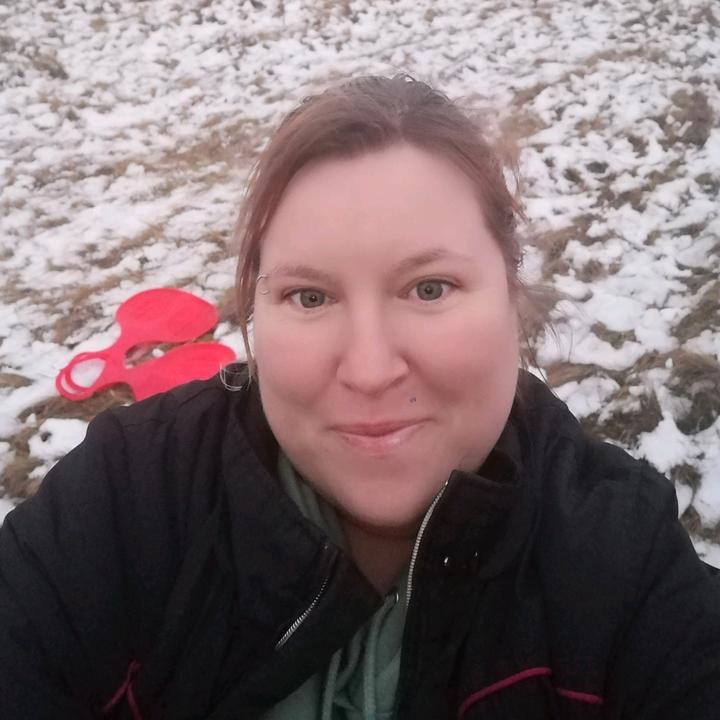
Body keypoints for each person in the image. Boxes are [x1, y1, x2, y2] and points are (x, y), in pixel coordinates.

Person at [0, 74, 718, 720]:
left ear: (512, 295)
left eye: (429, 288)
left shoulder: (619, 571)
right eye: (310, 296)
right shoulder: (130, 501)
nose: (370, 371)